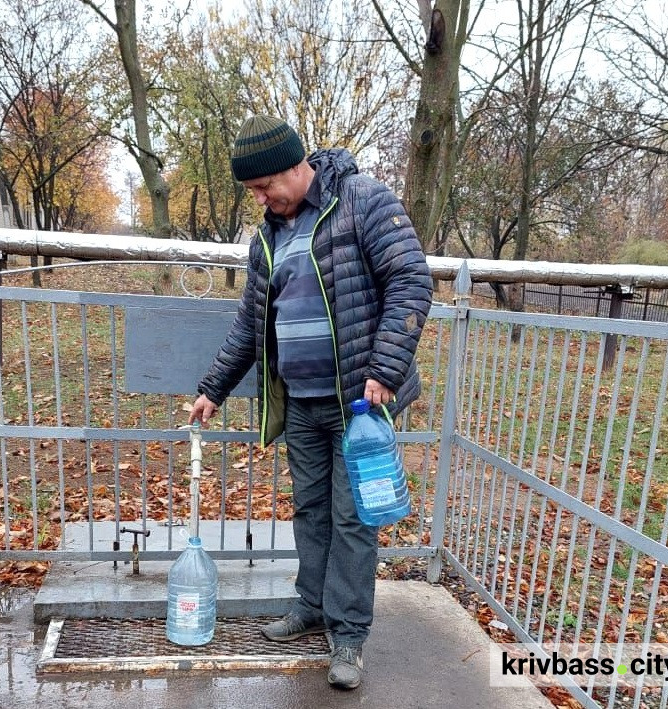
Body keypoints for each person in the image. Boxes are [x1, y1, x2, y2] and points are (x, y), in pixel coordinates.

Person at [188, 115, 433, 690]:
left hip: (358, 404)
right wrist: (213, 388)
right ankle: (313, 606)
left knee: (353, 518)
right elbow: (251, 324)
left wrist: (384, 370)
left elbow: (410, 281)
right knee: (311, 511)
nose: (260, 199)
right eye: (252, 190)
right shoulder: (267, 238)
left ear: (296, 167)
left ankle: (348, 634)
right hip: (301, 402)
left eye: (264, 186)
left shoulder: (362, 201)